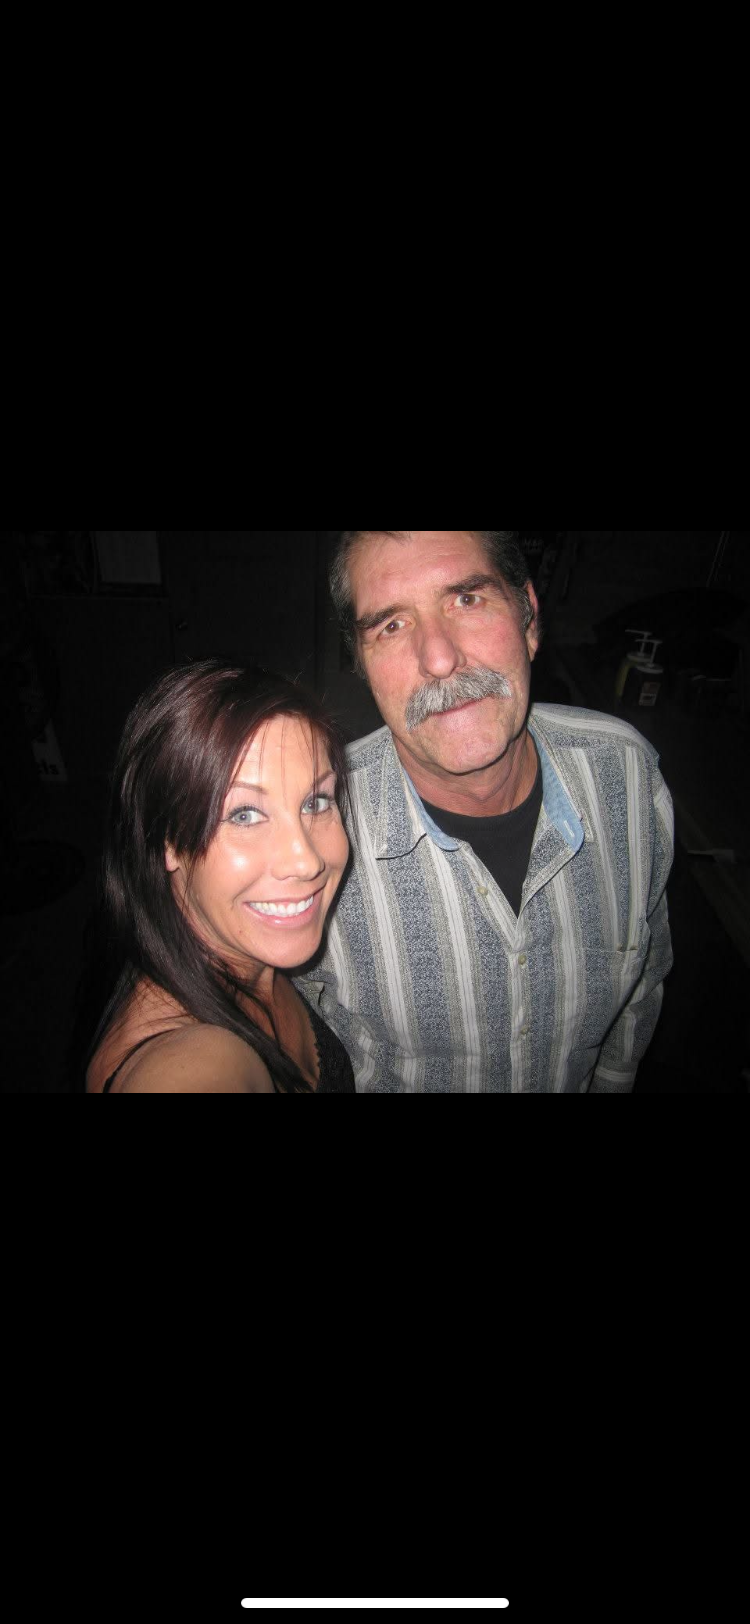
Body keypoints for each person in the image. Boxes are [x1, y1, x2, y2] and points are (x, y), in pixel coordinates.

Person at [295, 531, 675, 1093]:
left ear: (528, 619)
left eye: (466, 600)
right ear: (362, 665)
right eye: (391, 625)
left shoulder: (628, 776)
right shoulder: (305, 835)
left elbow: (645, 978)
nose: (440, 658)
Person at [85, 661, 354, 1093]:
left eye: (316, 801)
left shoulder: (244, 950)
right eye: (244, 814)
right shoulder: (183, 1065)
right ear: (166, 841)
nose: (305, 861)